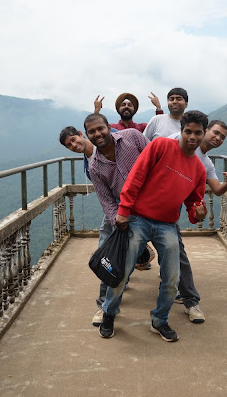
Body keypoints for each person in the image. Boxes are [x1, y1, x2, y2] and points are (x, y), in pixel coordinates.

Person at [99, 110, 209, 342]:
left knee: (171, 278)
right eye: (188, 131)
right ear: (181, 130)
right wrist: (123, 210)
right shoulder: (160, 146)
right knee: (122, 270)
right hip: (138, 218)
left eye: (197, 133)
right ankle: (109, 313)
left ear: (203, 134)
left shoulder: (199, 170)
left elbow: (193, 204)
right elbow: (136, 176)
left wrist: (198, 214)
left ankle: (159, 320)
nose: (192, 136)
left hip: (167, 224)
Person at [83, 113, 152, 326]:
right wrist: (118, 221)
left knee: (176, 255)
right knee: (109, 256)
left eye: (100, 128)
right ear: (87, 135)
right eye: (92, 132)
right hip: (125, 212)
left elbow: (156, 158)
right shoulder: (95, 165)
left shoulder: (132, 137)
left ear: (109, 127)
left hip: (154, 207)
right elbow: (105, 199)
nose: (97, 134)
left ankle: (188, 300)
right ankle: (104, 307)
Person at [93, 92, 164, 133]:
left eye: (130, 105)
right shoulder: (111, 128)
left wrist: (158, 107)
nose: (126, 107)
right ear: (118, 108)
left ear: (134, 109)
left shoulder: (142, 128)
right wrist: (97, 111)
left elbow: (160, 128)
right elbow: (95, 129)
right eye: (123, 105)